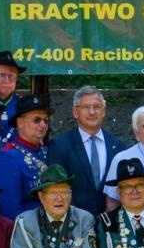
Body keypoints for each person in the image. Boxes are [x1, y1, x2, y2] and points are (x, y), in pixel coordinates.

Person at [46, 86, 126, 217]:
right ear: (75, 112)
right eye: (86, 107)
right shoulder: (60, 146)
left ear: (104, 111)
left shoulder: (117, 146)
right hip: (73, 224)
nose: (92, 112)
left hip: (111, 225)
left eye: (97, 107)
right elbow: (55, 188)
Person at [0, 94, 53, 220]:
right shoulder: (8, 157)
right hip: (27, 231)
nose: (43, 124)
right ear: (20, 122)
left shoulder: (47, 152)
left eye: (45, 120)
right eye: (37, 120)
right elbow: (10, 210)